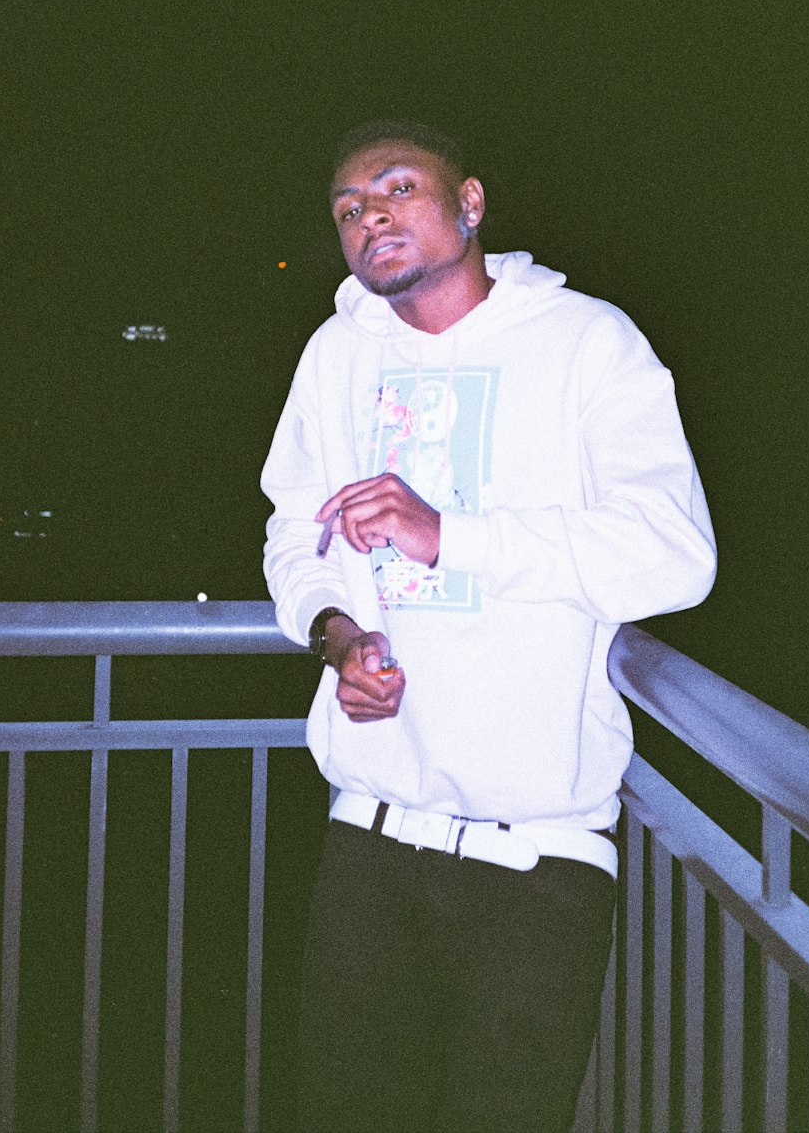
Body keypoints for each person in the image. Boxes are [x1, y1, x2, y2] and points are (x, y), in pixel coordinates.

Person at [260, 120, 716, 1133]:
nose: (368, 212)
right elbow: (294, 529)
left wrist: (447, 535)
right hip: (369, 832)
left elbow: (673, 553)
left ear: (468, 204)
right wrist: (336, 633)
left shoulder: (586, 342)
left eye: (395, 186)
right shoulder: (337, 356)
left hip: (538, 859)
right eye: (346, 207)